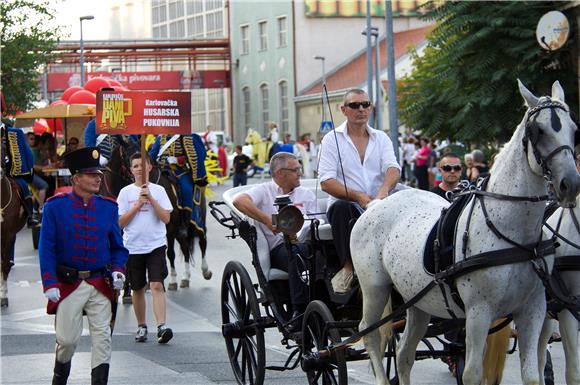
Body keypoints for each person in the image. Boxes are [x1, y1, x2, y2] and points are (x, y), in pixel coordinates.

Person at [39, 147, 128, 385]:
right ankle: (59, 379)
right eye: (92, 174)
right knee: (66, 341)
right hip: (68, 284)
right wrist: (49, 281)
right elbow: (46, 247)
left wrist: (119, 270)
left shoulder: (109, 208)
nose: (98, 178)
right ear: (76, 178)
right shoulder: (54, 207)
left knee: (103, 340)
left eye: (99, 174)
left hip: (100, 283)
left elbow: (118, 248)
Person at [318, 88, 400, 294]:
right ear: (343, 109)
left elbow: (393, 168)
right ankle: (348, 268)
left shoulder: (381, 138)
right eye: (355, 105)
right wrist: (359, 197)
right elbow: (326, 181)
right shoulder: (331, 139)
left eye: (365, 104)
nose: (361, 109)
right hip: (348, 205)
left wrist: (382, 193)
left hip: (379, 202)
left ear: (371, 108)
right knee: (342, 209)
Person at [233, 152, 317, 318]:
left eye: (299, 169)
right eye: (295, 170)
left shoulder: (306, 194)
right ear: (280, 173)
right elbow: (239, 201)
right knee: (297, 253)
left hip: (308, 244)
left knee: (323, 253)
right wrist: (267, 221)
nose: (300, 173)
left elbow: (317, 222)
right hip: (280, 250)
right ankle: (299, 310)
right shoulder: (264, 191)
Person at [117, 153, 174, 344]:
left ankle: (161, 326)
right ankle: (141, 326)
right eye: (135, 166)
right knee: (138, 287)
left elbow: (166, 218)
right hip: (133, 247)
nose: (139, 168)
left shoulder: (158, 190)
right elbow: (120, 223)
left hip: (156, 245)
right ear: (131, 170)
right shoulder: (125, 193)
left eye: (143, 165)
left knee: (157, 285)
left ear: (150, 167)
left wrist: (151, 199)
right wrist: (138, 204)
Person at [149, 133, 208, 236]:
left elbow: (196, 154)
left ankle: (184, 223)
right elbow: (152, 156)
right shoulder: (160, 138)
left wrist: (177, 160)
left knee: (186, 189)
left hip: (180, 172)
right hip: (163, 171)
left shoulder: (185, 137)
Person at [1, 123, 38, 226]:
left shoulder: (15, 133)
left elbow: (28, 154)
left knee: (24, 187)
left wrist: (28, 170)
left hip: (12, 174)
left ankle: (30, 216)